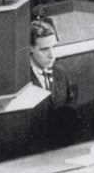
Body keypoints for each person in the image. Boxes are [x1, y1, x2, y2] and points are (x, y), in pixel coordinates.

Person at [29, 18, 79, 146]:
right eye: (44, 49)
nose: (52, 55)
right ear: (31, 49)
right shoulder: (22, 82)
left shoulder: (61, 74)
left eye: (54, 47)